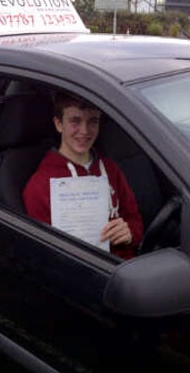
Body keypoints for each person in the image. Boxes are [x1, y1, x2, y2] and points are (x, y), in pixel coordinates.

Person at [23, 92, 143, 260]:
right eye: (75, 121)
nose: (84, 131)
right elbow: (45, 251)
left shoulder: (110, 168)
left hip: (126, 265)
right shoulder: (40, 184)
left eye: (92, 121)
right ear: (59, 124)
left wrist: (129, 233)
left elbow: (134, 219)